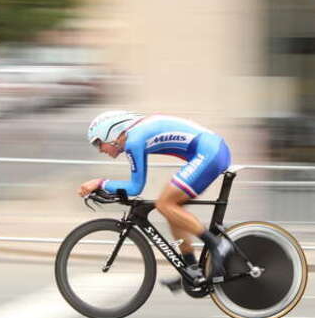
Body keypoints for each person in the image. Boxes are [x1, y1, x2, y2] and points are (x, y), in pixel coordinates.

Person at [78, 110, 233, 285]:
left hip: (210, 153)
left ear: (110, 132)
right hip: (212, 150)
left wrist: (100, 183)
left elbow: (135, 187)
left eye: (98, 143)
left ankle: (216, 244)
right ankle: (192, 268)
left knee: (164, 204)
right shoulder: (135, 135)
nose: (100, 150)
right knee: (172, 210)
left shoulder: (133, 141)